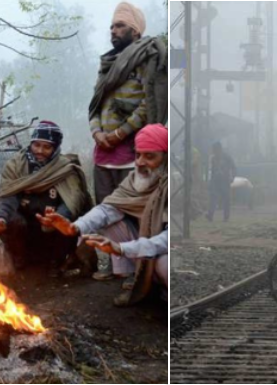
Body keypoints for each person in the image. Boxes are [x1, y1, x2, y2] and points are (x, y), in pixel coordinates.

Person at [39, 124, 168, 307]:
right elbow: (107, 209)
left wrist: (122, 248)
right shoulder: (134, 179)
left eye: (150, 156)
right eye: (138, 154)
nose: (140, 162)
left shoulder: (174, 184)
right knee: (107, 220)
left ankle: (161, 290)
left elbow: (167, 239)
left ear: (166, 158)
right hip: (140, 245)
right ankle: (135, 278)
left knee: (165, 266)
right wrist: (74, 227)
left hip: (162, 249)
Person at [88, 1, 167, 280]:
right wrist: (97, 133)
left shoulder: (145, 60)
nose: (113, 30)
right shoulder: (106, 64)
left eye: (120, 25)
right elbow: (96, 104)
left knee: (134, 213)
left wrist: (120, 134)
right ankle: (115, 268)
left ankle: (138, 273)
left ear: (135, 31)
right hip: (102, 154)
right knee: (107, 211)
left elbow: (148, 104)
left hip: (131, 154)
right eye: (111, 26)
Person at [0, 121, 93, 278]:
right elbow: (6, 194)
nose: (40, 151)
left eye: (47, 147)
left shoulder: (65, 168)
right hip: (25, 226)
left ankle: (56, 261)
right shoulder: (15, 165)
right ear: (31, 144)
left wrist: (57, 218)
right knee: (11, 219)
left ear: (55, 149)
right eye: (37, 145)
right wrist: (1, 219)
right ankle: (19, 258)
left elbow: (73, 201)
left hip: (51, 228)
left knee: (66, 221)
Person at [207, 142, 236, 222]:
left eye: (215, 150)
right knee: (213, 198)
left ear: (219, 149)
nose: (214, 152)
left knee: (226, 199)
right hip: (216, 181)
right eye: (214, 150)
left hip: (225, 180)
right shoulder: (213, 159)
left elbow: (233, 167)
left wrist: (233, 177)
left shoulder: (227, 157)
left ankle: (226, 217)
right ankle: (210, 215)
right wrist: (210, 181)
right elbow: (212, 171)